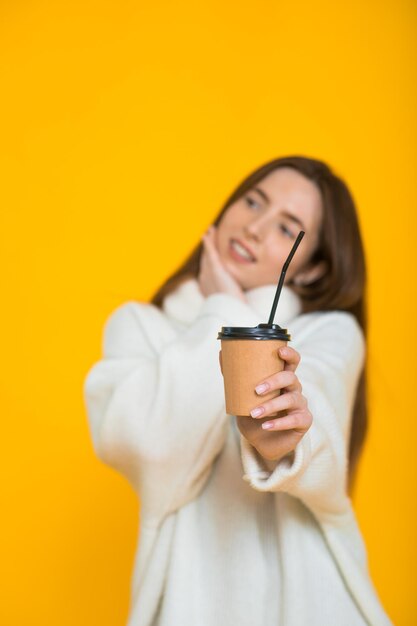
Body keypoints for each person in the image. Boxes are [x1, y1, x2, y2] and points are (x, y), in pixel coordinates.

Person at [83, 156, 392, 626]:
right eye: (253, 202)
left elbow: (317, 410)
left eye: (287, 229)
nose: (254, 228)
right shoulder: (140, 327)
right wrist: (223, 307)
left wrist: (287, 438)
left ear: (310, 270)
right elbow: (151, 450)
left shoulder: (328, 332)